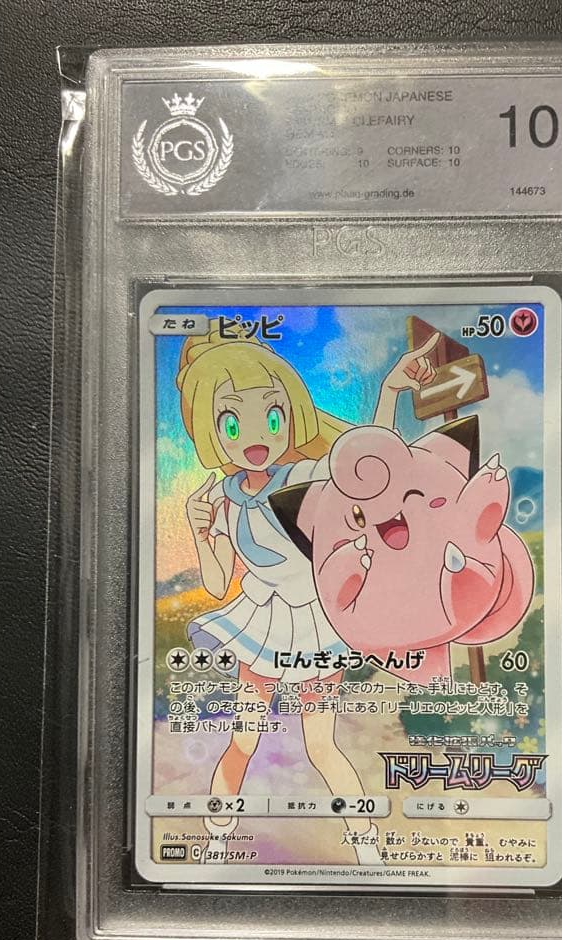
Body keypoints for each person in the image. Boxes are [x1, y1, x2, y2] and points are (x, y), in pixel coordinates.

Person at [177, 318, 437, 863]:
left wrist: (390, 391)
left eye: (272, 416)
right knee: (243, 738)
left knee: (321, 744)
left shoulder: (307, 476)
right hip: (263, 626)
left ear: (290, 415)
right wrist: (201, 532)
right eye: (232, 422)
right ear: (208, 428)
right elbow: (219, 583)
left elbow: (371, 465)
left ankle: (367, 849)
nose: (256, 437)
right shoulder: (222, 498)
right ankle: (215, 842)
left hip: (315, 627)